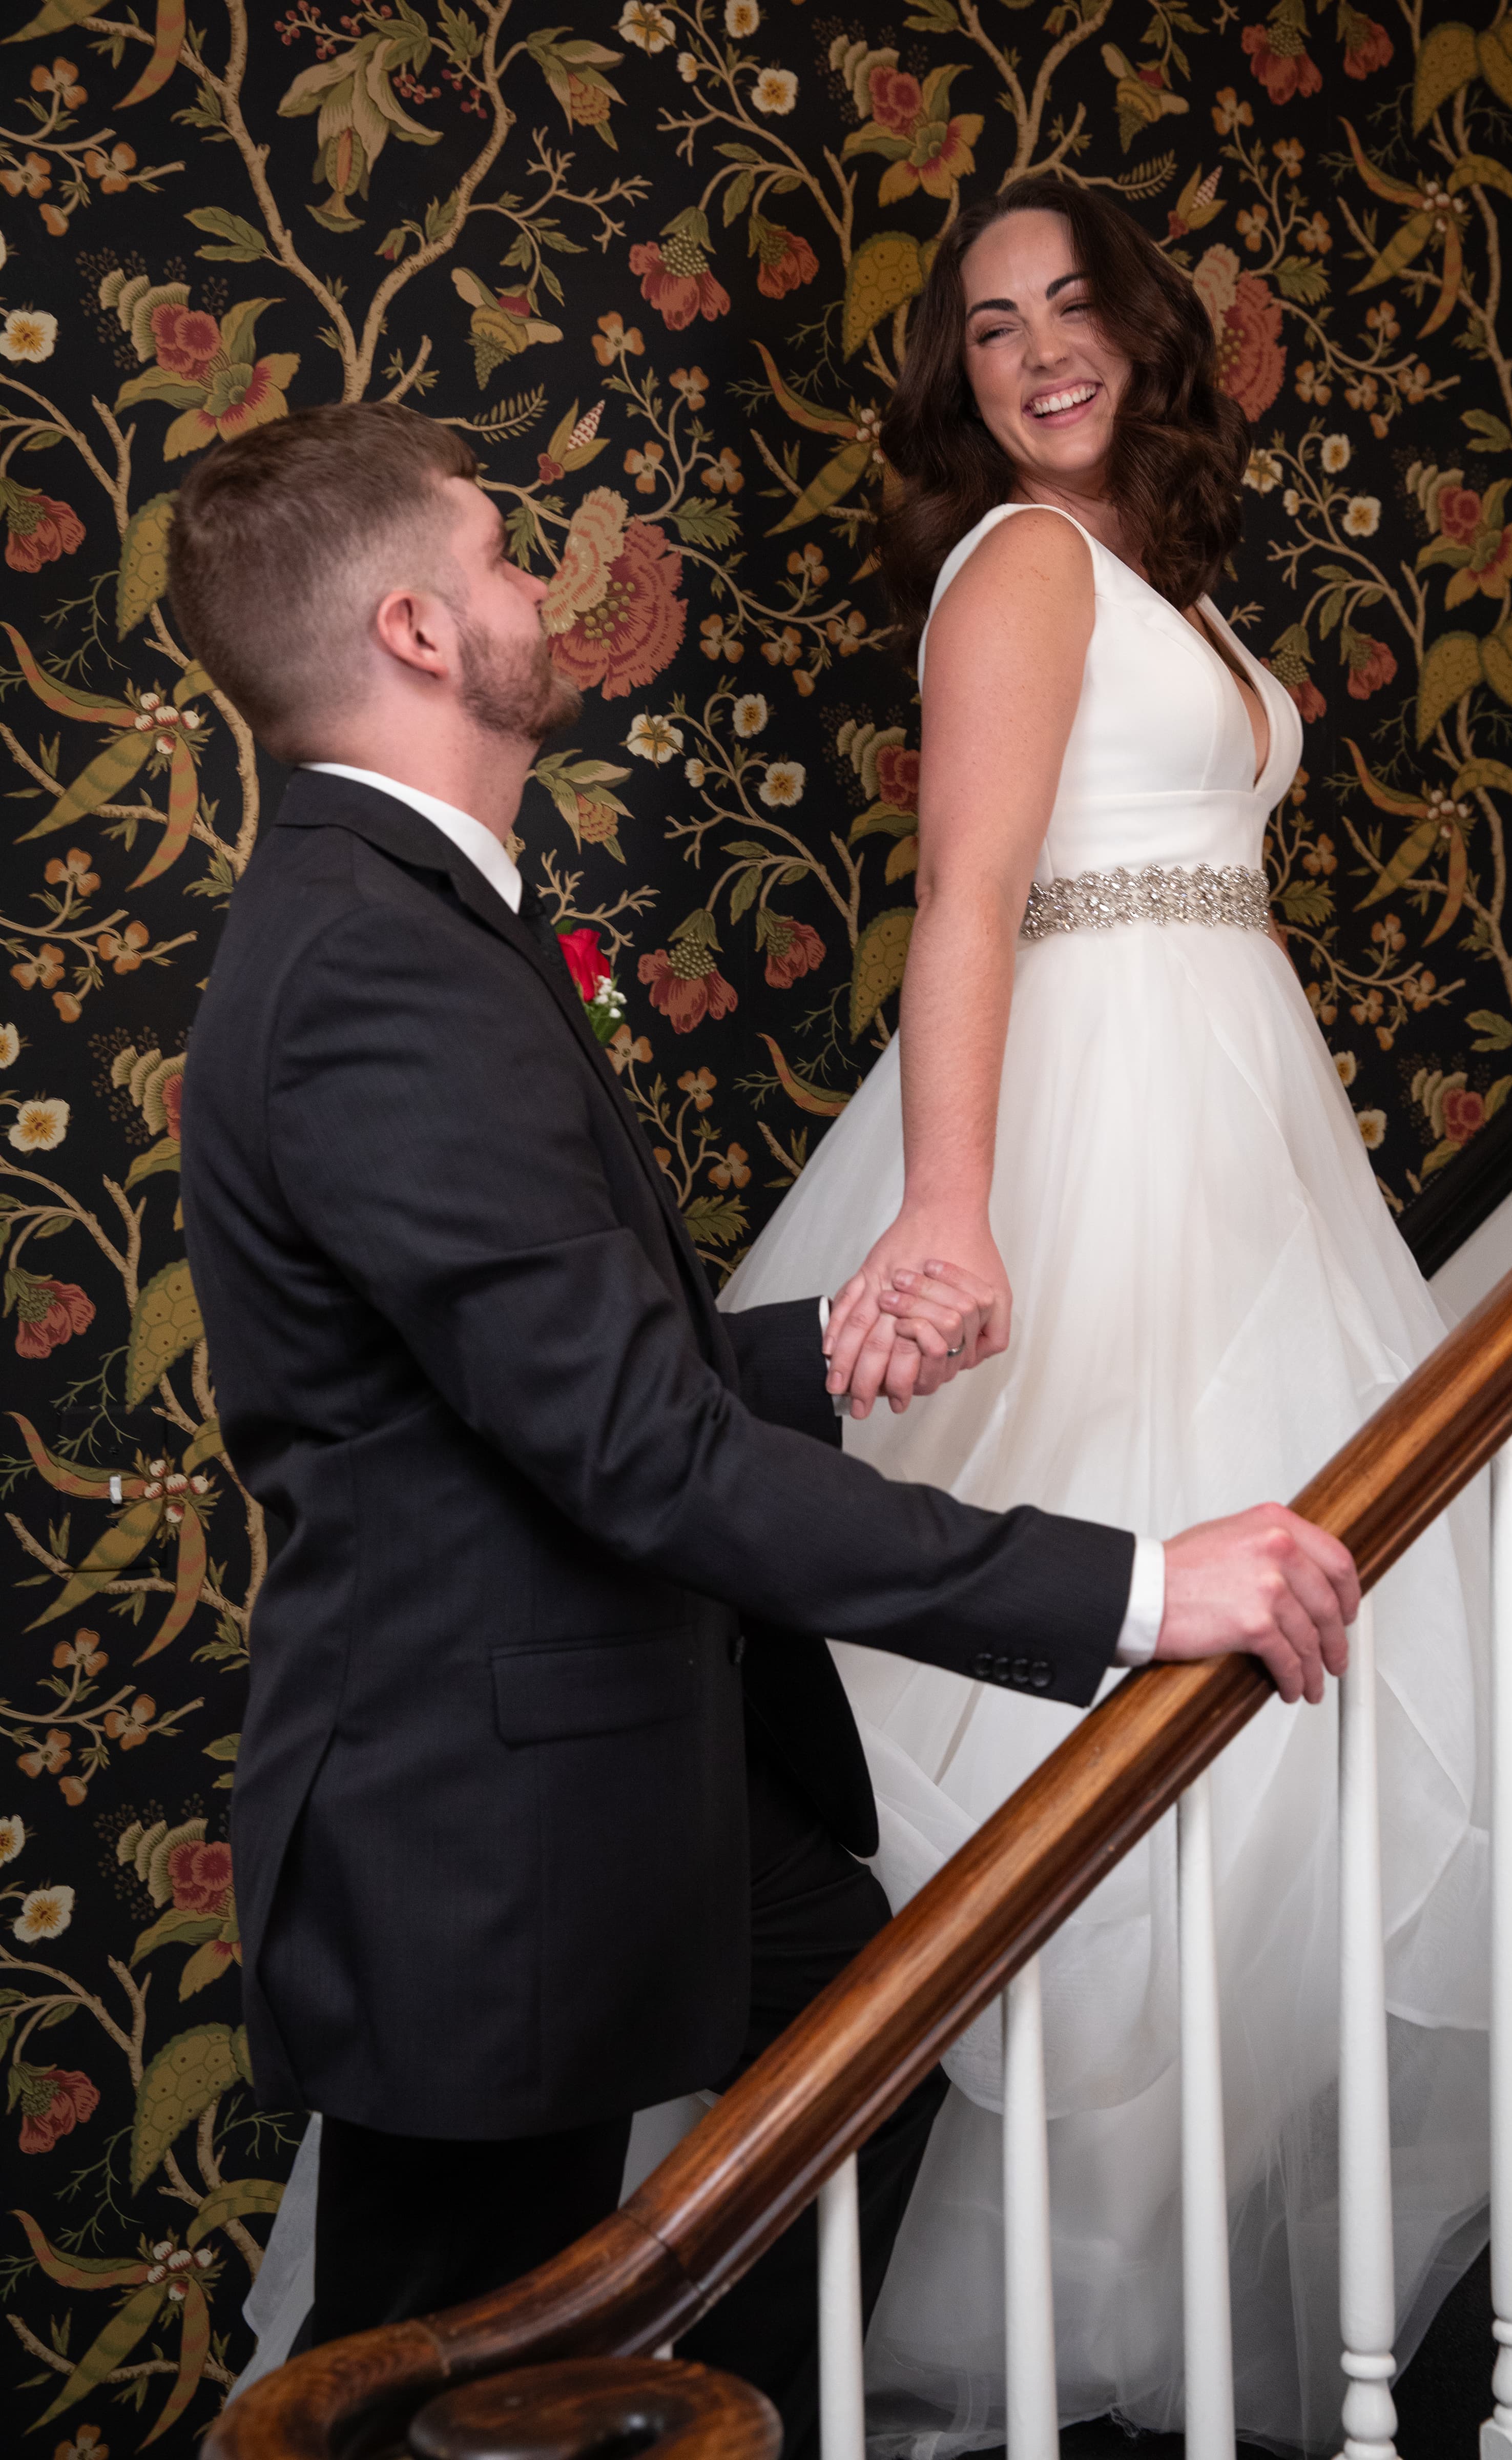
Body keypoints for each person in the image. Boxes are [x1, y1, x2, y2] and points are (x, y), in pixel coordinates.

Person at [170, 401, 1358, 2450]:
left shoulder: (410, 920)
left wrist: (828, 1353)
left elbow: (564, 1384)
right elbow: (638, 1462)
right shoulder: (379, 965)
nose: (545, 587)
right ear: (418, 633)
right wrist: (1146, 1587)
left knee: (860, 2030)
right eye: (502, 556)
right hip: (487, 1835)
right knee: (411, 2376)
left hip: (594, 1780)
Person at [720, 180, 1512, 2455]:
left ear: (1145, 328)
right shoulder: (1020, 570)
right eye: (990, 322)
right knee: (1092, 1708)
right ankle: (1026, 2339)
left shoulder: (1159, 586)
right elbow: (963, 900)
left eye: (1070, 305)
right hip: (1085, 1141)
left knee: (1344, 1694)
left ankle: (1161, 2326)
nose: (1035, 349)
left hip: (1249, 1157)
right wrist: (945, 1211)